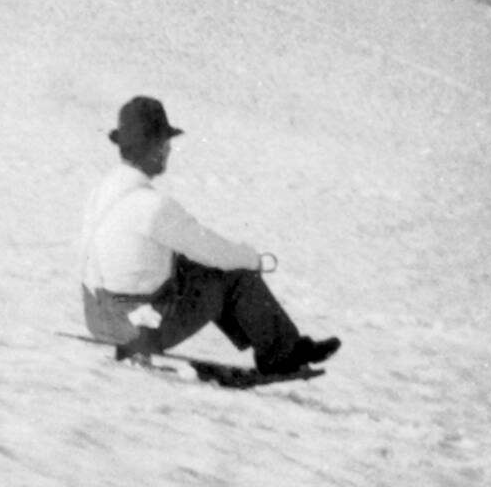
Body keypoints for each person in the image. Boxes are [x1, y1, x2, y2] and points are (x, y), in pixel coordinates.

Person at [78, 96, 339, 375]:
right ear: (152, 148)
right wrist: (252, 259)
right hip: (138, 329)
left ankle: (278, 344)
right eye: (165, 144)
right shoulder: (153, 206)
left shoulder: (102, 193)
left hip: (99, 318)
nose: (168, 151)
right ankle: (281, 353)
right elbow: (212, 251)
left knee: (185, 265)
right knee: (234, 276)